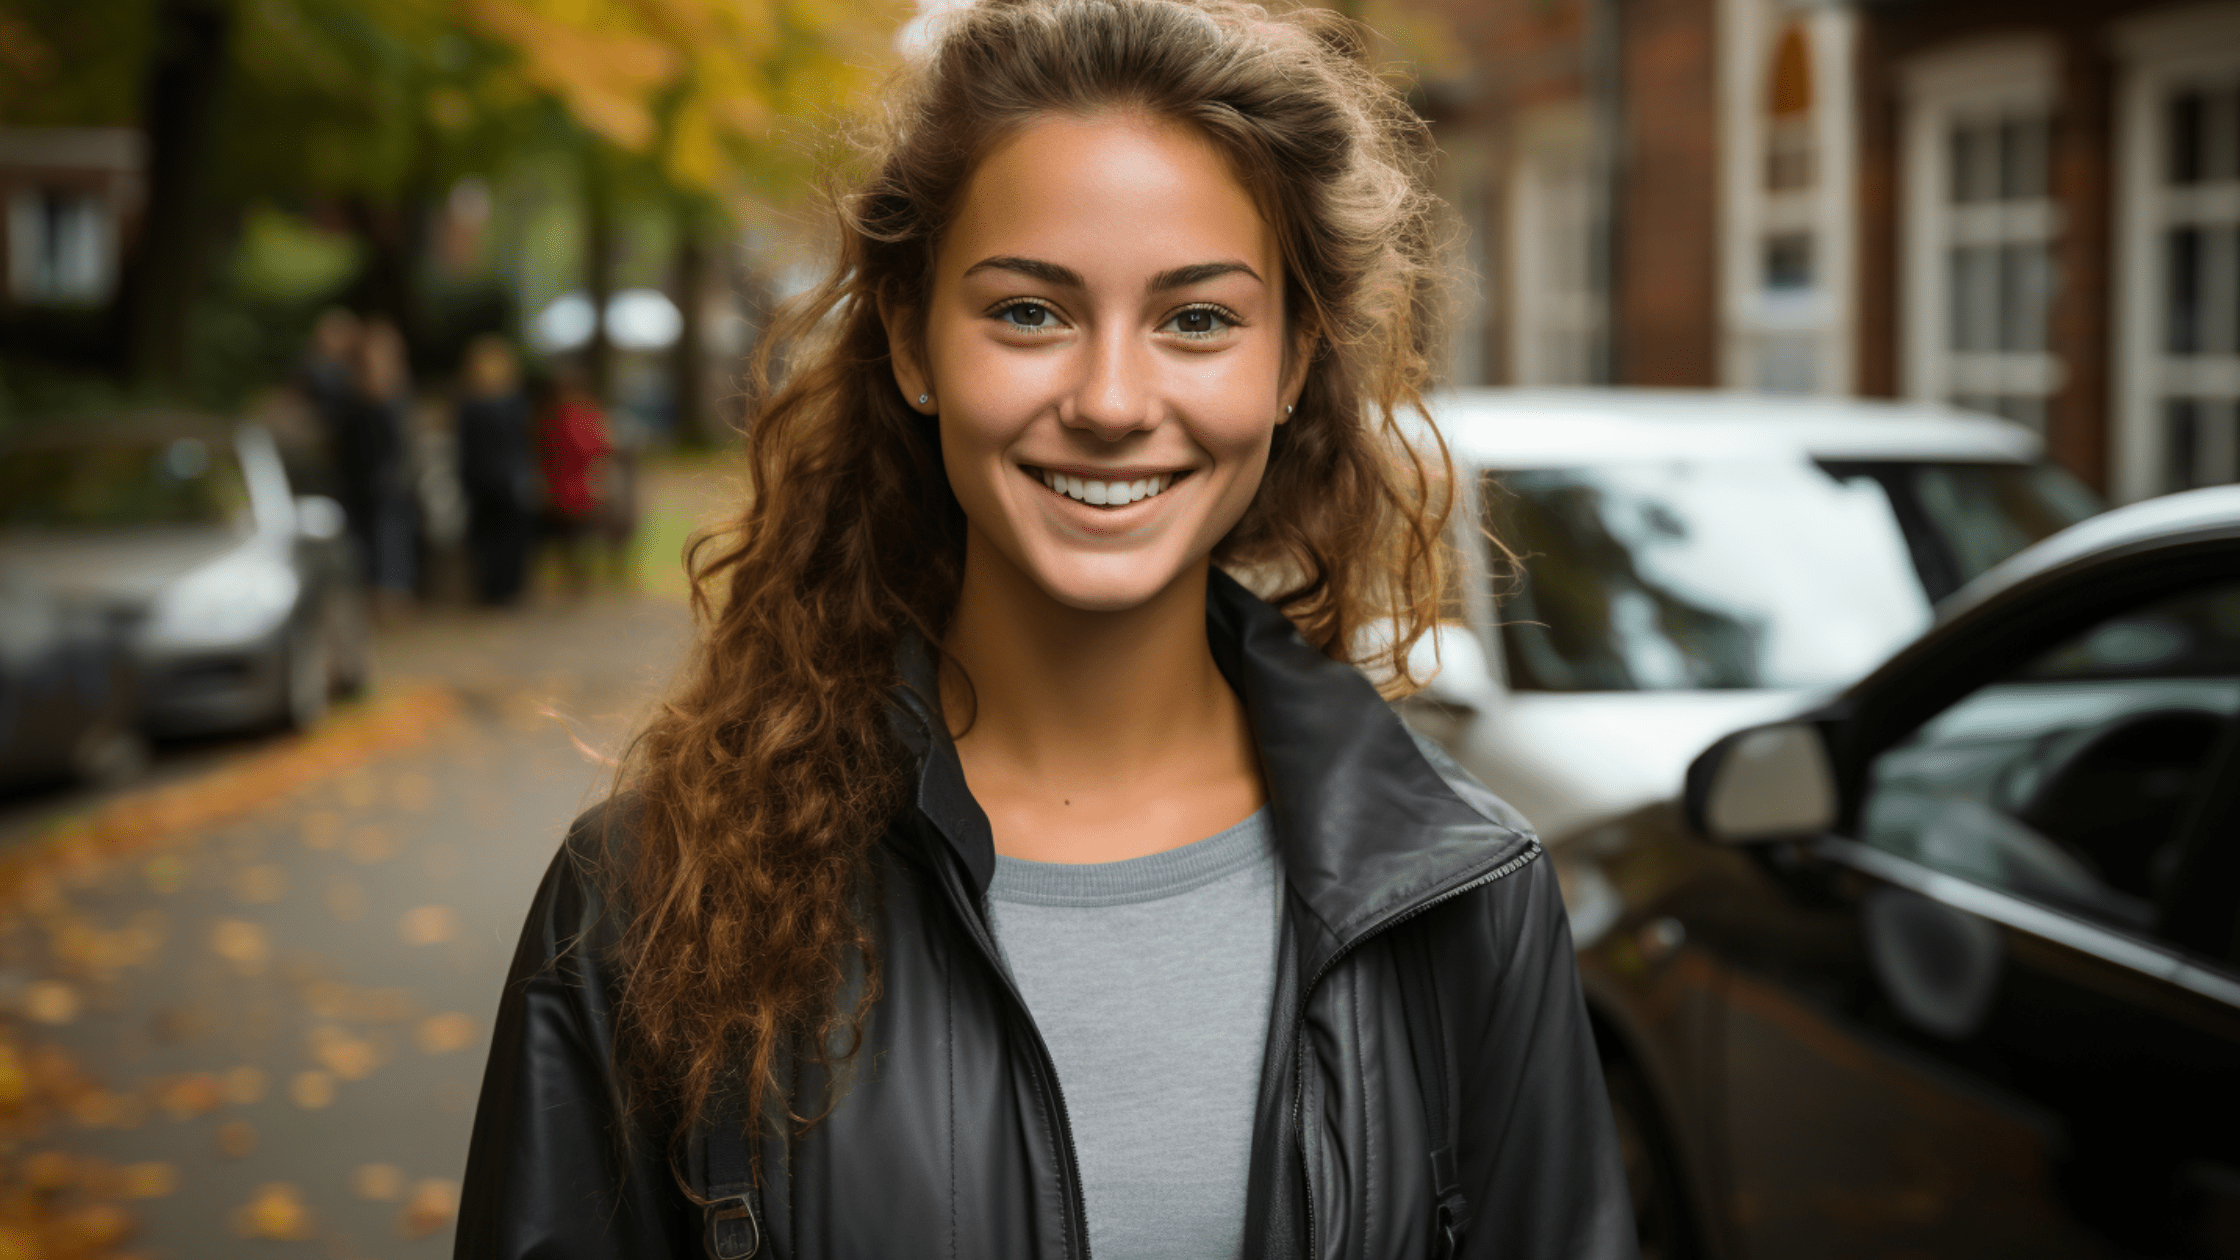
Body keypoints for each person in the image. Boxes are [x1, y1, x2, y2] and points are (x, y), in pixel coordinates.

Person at [458, 1, 1636, 1257]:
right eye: (1029, 312)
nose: (1112, 402)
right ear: (911, 339)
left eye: (1196, 318)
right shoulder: (652, 896)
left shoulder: (1465, 898)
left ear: (1293, 360)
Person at [338, 317, 419, 614]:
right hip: (365, 476)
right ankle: (380, 593)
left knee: (389, 536)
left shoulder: (393, 389)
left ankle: (390, 593)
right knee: (371, 537)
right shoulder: (360, 389)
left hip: (387, 478)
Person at [455, 336, 537, 605]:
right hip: (508, 479)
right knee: (510, 537)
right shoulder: (514, 403)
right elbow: (523, 442)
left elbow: (463, 446)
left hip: (479, 479)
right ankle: (509, 589)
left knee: (486, 538)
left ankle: (491, 590)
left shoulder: (469, 403)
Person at [532, 365, 613, 596]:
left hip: (567, 484)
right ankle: (575, 578)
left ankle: (573, 577)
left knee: (571, 535)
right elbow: (599, 446)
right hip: (573, 484)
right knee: (574, 535)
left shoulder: (554, 416)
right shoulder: (577, 414)